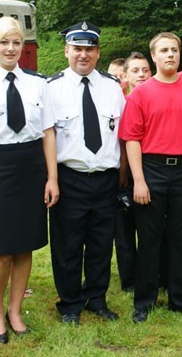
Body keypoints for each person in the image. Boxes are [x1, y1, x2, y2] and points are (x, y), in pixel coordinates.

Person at [0, 16, 59, 343]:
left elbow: (48, 133)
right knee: (2, 249)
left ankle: (16, 310)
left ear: (23, 46)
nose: (10, 48)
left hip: (31, 166)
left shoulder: (38, 84)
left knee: (25, 245)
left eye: (16, 42)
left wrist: (52, 178)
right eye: (4, 42)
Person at [119, 32, 182, 324]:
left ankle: (180, 299)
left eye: (174, 50)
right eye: (164, 51)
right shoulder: (141, 94)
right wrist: (139, 181)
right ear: (154, 57)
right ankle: (144, 301)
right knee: (149, 238)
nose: (170, 54)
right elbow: (132, 139)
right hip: (152, 169)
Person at [47, 21, 126, 324]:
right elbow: (47, 137)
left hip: (106, 178)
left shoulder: (111, 88)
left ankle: (97, 298)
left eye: (89, 49)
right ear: (67, 51)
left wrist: (123, 174)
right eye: (77, 49)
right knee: (67, 246)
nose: (83, 55)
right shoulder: (52, 88)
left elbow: (121, 134)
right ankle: (69, 304)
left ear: (98, 52)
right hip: (70, 177)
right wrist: (51, 178)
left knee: (101, 243)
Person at [114, 52, 152, 293]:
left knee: (150, 228)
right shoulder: (118, 103)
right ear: (125, 77)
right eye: (135, 71)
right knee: (124, 230)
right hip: (122, 174)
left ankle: (151, 272)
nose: (141, 75)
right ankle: (128, 278)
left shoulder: (156, 99)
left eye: (145, 70)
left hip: (152, 171)